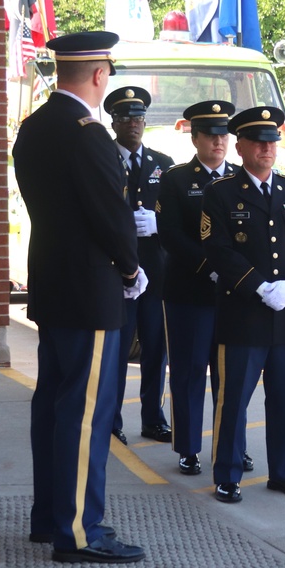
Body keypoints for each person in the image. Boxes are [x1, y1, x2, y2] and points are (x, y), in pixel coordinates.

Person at [12, 30, 146, 563]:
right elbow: (109, 215)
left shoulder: (34, 127)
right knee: (86, 411)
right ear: (97, 75)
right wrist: (132, 268)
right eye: (108, 72)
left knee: (53, 404)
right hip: (90, 291)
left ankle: (50, 517)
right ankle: (81, 532)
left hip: (52, 282)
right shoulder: (88, 134)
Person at [201, 106, 285, 503]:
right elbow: (216, 249)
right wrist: (257, 286)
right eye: (258, 141)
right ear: (240, 147)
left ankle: (284, 472)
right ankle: (228, 474)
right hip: (243, 315)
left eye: (272, 141)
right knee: (233, 400)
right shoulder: (220, 193)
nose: (267, 149)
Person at [156, 100, 253, 476]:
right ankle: (189, 447)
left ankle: (232, 447)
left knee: (233, 379)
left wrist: (236, 273)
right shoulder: (176, 179)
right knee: (190, 371)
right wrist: (210, 266)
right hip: (189, 292)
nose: (219, 142)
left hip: (233, 295)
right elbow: (171, 236)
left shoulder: (241, 179)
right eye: (210, 135)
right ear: (194, 138)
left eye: (223, 135)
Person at [103, 86, 174, 446]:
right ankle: (111, 418)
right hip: (119, 272)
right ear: (113, 122)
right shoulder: (103, 160)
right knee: (116, 350)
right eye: (125, 117)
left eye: (139, 117)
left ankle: (152, 418)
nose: (133, 123)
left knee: (154, 347)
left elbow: (182, 216)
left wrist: (160, 223)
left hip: (156, 272)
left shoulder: (163, 164)